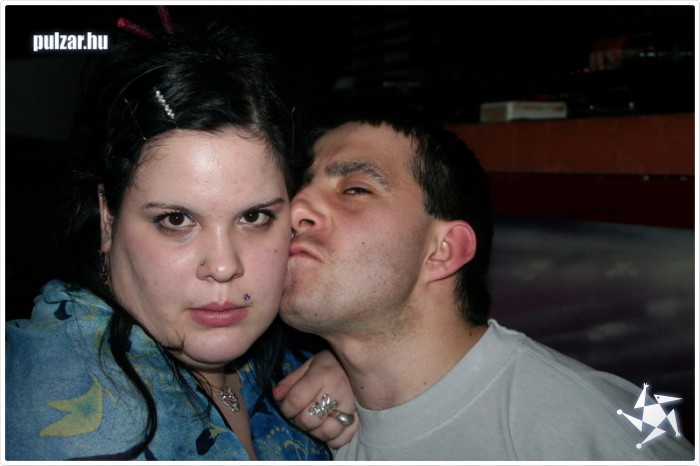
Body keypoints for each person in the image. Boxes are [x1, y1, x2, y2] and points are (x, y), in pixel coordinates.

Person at [4, 16, 356, 461]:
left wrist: (355, 371)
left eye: (254, 216)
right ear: (108, 218)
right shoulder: (72, 410)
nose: (224, 266)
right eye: (176, 220)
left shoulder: (284, 348)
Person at [275, 101, 696, 460]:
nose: (296, 210)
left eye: (355, 189)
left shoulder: (582, 426)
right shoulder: (298, 409)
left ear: (443, 251)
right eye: (300, 188)